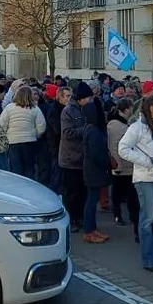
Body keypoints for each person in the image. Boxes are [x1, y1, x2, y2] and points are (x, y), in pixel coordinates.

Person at [119, 94, 153, 272]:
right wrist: (146, 162)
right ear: (151, 108)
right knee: (148, 218)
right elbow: (123, 148)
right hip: (144, 178)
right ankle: (149, 258)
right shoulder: (137, 127)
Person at [59, 82, 93, 232]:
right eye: (88, 98)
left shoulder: (87, 109)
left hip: (84, 158)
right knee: (71, 192)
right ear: (81, 99)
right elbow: (67, 133)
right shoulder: (68, 111)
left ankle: (80, 217)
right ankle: (71, 219)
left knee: (82, 191)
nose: (90, 101)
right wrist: (86, 130)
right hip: (70, 158)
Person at [107, 98, 139, 237]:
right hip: (122, 166)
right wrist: (118, 165)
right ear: (126, 110)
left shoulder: (122, 123)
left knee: (127, 193)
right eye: (131, 108)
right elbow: (114, 147)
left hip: (126, 165)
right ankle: (120, 215)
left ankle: (127, 215)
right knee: (121, 193)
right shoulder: (117, 125)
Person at [0, 85, 46, 180]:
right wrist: (35, 135)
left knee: (15, 170)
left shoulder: (9, 108)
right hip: (29, 142)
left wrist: (7, 136)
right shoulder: (35, 108)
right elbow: (41, 126)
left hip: (13, 142)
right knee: (29, 169)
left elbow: (1, 124)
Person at [81, 100, 112, 243]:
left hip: (92, 169)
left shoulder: (89, 128)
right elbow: (96, 154)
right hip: (94, 170)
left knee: (92, 200)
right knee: (91, 201)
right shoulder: (93, 131)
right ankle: (89, 231)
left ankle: (92, 229)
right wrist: (107, 162)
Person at [45, 86, 70, 194]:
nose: (69, 98)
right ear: (60, 97)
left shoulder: (66, 109)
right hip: (56, 145)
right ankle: (54, 194)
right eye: (67, 96)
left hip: (63, 146)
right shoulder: (54, 110)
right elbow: (57, 129)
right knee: (57, 173)